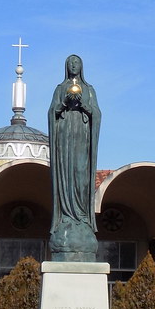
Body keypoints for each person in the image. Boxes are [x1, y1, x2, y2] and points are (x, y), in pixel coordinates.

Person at [47, 54, 101, 261]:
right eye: (71, 63)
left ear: (82, 67)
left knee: (80, 175)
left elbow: (97, 113)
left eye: (77, 63)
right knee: (66, 177)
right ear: (66, 67)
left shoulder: (89, 90)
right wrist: (64, 104)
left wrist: (85, 107)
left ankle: (81, 217)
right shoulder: (59, 89)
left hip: (82, 138)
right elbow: (52, 113)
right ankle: (67, 218)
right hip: (64, 138)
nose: (74, 66)